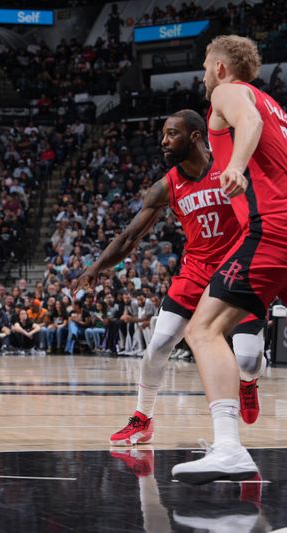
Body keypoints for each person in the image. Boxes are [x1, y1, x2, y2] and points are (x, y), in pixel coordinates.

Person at [79, 109, 266, 449]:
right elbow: (128, 237)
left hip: (236, 269)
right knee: (158, 347)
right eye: (164, 134)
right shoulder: (166, 186)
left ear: (195, 136)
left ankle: (248, 382)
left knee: (249, 360)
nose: (163, 141)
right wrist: (96, 267)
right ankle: (142, 418)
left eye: (171, 134)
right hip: (194, 272)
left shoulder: (231, 167)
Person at [172, 36, 287, 483]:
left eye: (204, 64)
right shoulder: (277, 106)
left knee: (202, 329)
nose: (202, 74)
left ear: (220, 67)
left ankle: (228, 448)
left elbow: (249, 120)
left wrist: (236, 164)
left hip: (273, 229)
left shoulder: (228, 93)